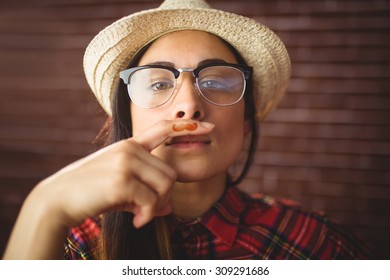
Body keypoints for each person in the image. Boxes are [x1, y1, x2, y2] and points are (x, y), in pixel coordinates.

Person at [3, 0, 373, 260]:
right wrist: (44, 206)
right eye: (159, 83)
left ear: (246, 121)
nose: (189, 106)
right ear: (128, 116)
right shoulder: (69, 244)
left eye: (217, 82)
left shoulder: (315, 244)